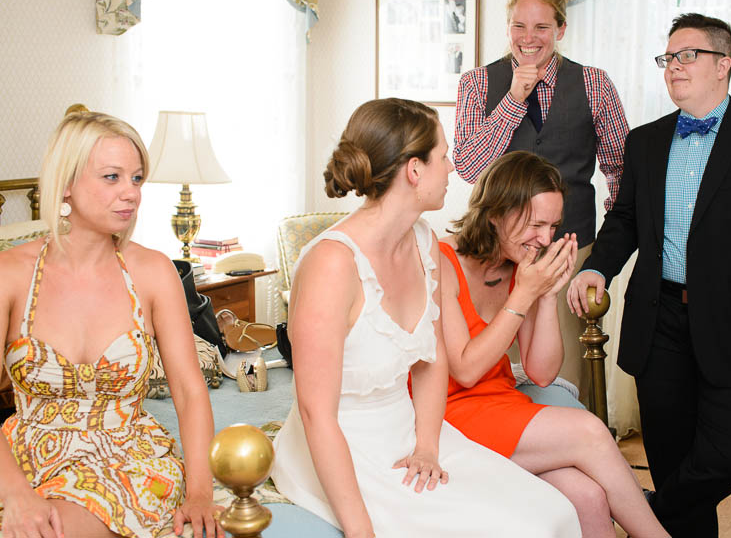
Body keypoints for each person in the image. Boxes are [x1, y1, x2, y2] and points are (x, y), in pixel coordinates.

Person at [271, 98, 581, 538]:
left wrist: (428, 447)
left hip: (410, 428)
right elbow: (316, 412)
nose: (452, 167)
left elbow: (433, 360)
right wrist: (361, 530)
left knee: (553, 512)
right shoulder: (331, 265)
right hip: (344, 443)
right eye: (443, 155)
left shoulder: (423, 241)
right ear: (414, 170)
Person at [567, 14, 731, 538]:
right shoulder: (646, 141)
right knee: (673, 456)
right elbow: (625, 220)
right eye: (667, 58)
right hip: (659, 324)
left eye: (687, 56)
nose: (673, 67)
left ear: (723, 64)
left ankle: (639, 513)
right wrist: (597, 268)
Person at [0, 112, 223, 538]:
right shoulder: (10, 274)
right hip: (25, 459)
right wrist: (15, 494)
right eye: (111, 177)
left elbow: (190, 391)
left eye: (136, 179)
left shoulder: (153, 271)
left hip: (126, 458)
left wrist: (199, 492)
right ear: (65, 184)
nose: (131, 194)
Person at [440, 150, 669, 538]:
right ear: (496, 212)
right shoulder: (442, 259)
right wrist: (523, 296)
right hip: (446, 413)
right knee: (590, 431)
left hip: (499, 402)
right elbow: (464, 369)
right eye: (536, 224)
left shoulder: (521, 270)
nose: (546, 239)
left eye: (554, 226)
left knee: (589, 497)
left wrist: (545, 296)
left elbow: (542, 373)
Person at [453, 0, 629, 403]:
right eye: (519, 25)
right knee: (490, 373)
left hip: (567, 249)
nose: (528, 37)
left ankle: (565, 453)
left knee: (559, 377)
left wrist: (602, 250)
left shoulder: (594, 84)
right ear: (508, 27)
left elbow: (621, 170)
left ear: (561, 29)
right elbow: (470, 166)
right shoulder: (477, 83)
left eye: (541, 27)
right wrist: (514, 98)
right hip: (491, 253)